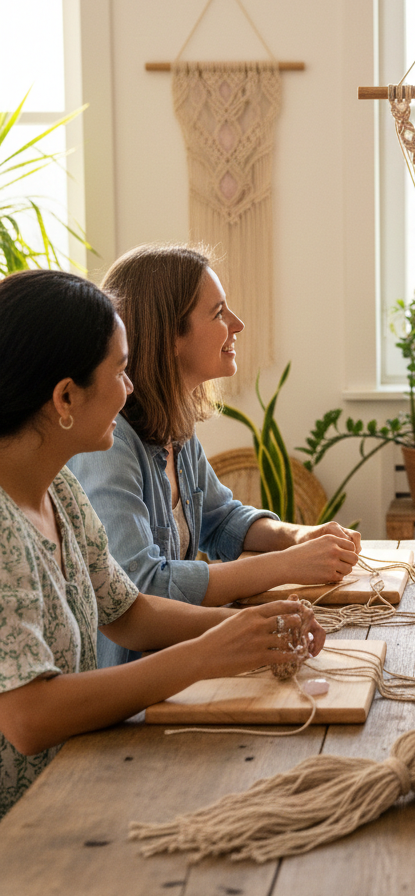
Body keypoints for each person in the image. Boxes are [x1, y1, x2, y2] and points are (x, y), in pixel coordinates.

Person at [0, 270, 324, 817]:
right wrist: (203, 657)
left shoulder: (60, 490)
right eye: (120, 371)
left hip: (70, 788)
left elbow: (131, 612)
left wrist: (255, 629)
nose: (129, 388)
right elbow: (29, 719)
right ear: (64, 397)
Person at [68, 245, 358, 668]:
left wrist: (297, 537)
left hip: (174, 663)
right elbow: (143, 588)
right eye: (219, 312)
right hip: (130, 684)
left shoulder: (175, 427)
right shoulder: (108, 448)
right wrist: (286, 565)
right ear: (170, 336)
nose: (237, 324)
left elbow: (220, 518)